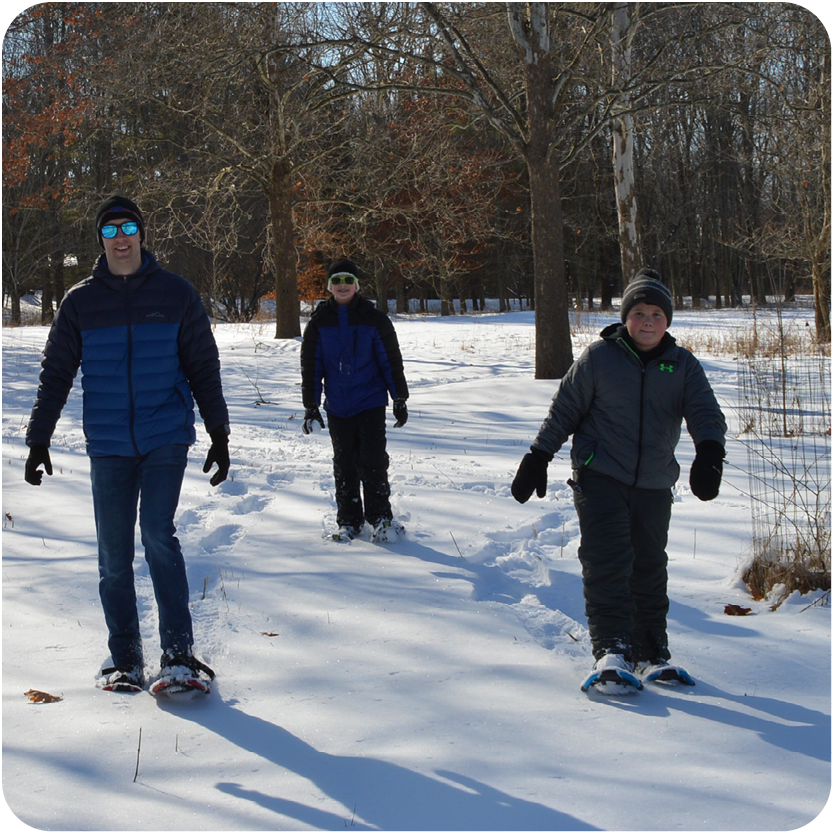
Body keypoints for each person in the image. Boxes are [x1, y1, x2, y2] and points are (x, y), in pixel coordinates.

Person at [24, 195, 230, 694]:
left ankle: (178, 654)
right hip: (110, 442)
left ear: (142, 234)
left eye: (128, 228)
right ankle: (125, 660)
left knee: (157, 534)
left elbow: (203, 366)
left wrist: (219, 433)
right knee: (113, 554)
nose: (120, 239)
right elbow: (56, 373)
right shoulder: (80, 303)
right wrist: (39, 438)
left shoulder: (176, 294)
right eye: (110, 231)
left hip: (165, 435)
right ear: (101, 240)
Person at [511, 268, 726, 691]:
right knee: (608, 561)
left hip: (654, 483)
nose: (647, 321)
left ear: (668, 321)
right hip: (599, 475)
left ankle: (650, 652)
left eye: (657, 314)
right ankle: (611, 649)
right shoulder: (599, 358)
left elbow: (705, 412)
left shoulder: (681, 365)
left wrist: (710, 452)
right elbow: (564, 411)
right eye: (639, 312)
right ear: (626, 316)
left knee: (649, 566)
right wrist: (538, 456)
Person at [300, 258, 409, 542]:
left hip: (370, 402)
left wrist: (399, 397)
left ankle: (381, 518)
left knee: (373, 462)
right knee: (344, 464)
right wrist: (311, 406)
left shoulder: (374, 319)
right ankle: (349, 521)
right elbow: (312, 368)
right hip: (337, 407)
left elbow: (390, 362)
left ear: (357, 285)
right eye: (336, 281)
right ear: (329, 287)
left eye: (348, 280)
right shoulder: (318, 323)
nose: (343, 286)